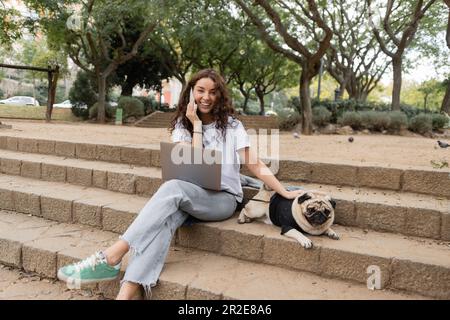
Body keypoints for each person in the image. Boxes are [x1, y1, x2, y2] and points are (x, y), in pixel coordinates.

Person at [57, 69, 305, 300]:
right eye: (201, 90)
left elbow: (253, 163)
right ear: (191, 92)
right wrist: (196, 125)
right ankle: (124, 295)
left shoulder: (232, 126)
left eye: (212, 91)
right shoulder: (181, 125)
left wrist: (283, 190)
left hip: (222, 200)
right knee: (164, 220)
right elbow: (195, 167)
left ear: (220, 95)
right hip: (190, 195)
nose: (206, 97)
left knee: (173, 188)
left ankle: (111, 256)